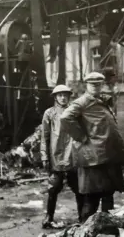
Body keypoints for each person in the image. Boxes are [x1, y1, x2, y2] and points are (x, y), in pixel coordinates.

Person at [60, 72, 124, 223]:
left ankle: (106, 228)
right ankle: (85, 229)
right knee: (92, 198)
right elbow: (65, 118)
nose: (96, 87)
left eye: (99, 84)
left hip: (107, 156)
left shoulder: (101, 100)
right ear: (86, 86)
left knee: (108, 195)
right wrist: (82, 137)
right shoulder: (82, 102)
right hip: (94, 158)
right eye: (92, 85)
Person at [41, 85, 83, 228]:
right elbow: (44, 136)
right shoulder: (49, 113)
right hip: (56, 155)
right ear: (55, 97)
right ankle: (49, 217)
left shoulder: (75, 112)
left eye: (65, 95)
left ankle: (82, 217)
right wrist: (44, 156)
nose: (63, 98)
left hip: (73, 155)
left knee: (78, 187)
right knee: (53, 187)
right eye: (60, 95)